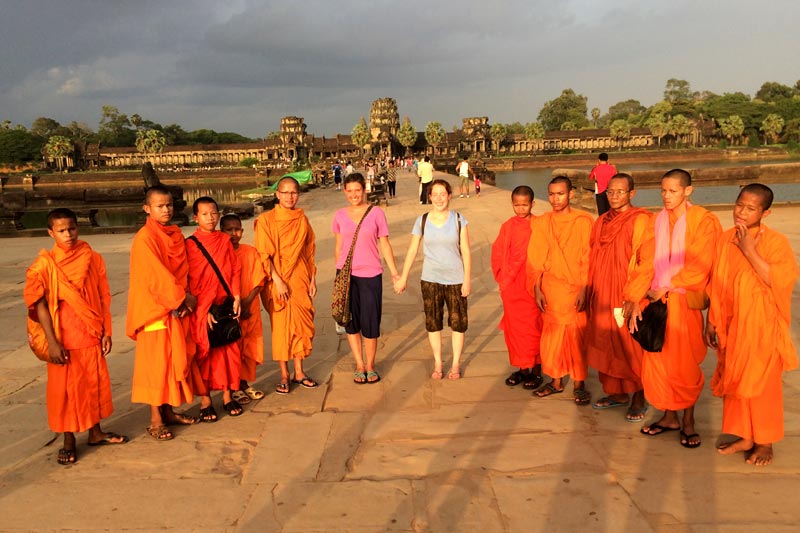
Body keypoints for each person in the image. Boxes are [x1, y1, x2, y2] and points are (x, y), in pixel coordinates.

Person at [24, 208, 128, 465]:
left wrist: (106, 331)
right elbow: (40, 306)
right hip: (63, 335)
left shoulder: (92, 257)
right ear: (51, 233)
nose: (68, 234)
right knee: (65, 391)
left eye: (71, 228)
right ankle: (68, 439)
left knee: (93, 383)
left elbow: (103, 296)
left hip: (90, 331)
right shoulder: (44, 265)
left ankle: (95, 431)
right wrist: (52, 342)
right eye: (61, 231)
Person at [705, 184, 798, 466]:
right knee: (735, 381)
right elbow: (717, 284)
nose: (741, 213)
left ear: (765, 212)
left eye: (751, 208)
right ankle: (745, 436)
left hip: (762, 327)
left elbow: (777, 279)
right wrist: (712, 321)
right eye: (739, 205)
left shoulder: (775, 242)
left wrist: (748, 249)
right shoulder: (724, 239)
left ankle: (765, 441)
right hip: (731, 324)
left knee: (762, 386)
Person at [632, 169, 721, 448]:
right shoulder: (654, 221)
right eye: (663, 191)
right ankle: (670, 417)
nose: (667, 196)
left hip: (683, 303)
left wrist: (669, 285)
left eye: (673, 191)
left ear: (688, 191)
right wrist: (634, 298)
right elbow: (644, 263)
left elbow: (702, 264)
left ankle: (689, 421)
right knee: (659, 359)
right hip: (656, 302)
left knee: (684, 366)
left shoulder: (703, 220)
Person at [128, 185, 201, 441]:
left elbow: (183, 270)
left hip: (176, 308)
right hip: (155, 312)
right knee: (156, 366)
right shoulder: (145, 239)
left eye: (169, 205)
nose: (166, 210)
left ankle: (169, 411)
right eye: (160, 206)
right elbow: (156, 278)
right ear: (147, 208)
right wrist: (182, 298)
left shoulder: (174, 234)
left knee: (173, 362)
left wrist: (185, 298)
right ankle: (156, 419)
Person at [585, 174, 651, 421]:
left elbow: (647, 262)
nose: (614, 196)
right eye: (610, 192)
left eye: (620, 192)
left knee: (630, 346)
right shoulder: (601, 221)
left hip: (626, 292)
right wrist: (589, 289)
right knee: (606, 342)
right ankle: (617, 393)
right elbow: (592, 256)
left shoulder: (641, 220)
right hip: (602, 291)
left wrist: (634, 297)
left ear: (631, 194)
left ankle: (638, 396)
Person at [395, 179, 471, 379]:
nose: (439, 198)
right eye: (434, 194)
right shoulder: (422, 220)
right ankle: (438, 361)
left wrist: (467, 280)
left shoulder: (459, 219)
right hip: (430, 279)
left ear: (449, 196)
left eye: (442, 194)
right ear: (429, 197)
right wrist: (403, 277)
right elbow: (412, 250)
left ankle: (455, 363)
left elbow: (466, 251)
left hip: (455, 279)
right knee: (433, 323)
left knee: (458, 323)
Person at [527, 176, 593, 405]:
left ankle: (579, 383)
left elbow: (588, 258)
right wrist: (537, 288)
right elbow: (536, 260)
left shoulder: (583, 222)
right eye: (552, 194)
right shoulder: (542, 222)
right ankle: (555, 381)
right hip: (551, 288)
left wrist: (585, 288)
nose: (555, 199)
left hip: (575, 287)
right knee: (552, 339)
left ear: (571, 194)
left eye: (560, 194)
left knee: (577, 338)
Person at [333, 173, 400, 384]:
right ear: (345, 192)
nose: (354, 194)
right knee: (350, 322)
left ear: (365, 190)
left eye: (357, 190)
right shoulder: (339, 216)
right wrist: (339, 278)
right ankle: (359, 364)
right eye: (350, 191)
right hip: (346, 275)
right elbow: (338, 247)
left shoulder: (376, 213)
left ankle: (370, 365)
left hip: (371, 274)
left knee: (371, 321)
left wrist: (395, 272)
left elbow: (385, 244)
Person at [254, 176, 318, 394]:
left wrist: (312, 278)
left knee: (301, 325)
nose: (290, 197)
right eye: (285, 192)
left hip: (300, 276)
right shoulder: (266, 220)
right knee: (281, 328)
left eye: (294, 192)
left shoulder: (302, 219)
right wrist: (277, 280)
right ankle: (284, 374)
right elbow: (264, 253)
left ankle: (299, 371)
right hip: (277, 278)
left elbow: (308, 251)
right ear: (277, 194)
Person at [491, 186, 543, 389]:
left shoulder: (540, 225)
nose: (521, 209)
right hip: (512, 286)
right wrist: (503, 276)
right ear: (512, 204)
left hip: (533, 285)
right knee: (515, 330)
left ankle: (537, 370)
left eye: (525, 205)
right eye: (517, 205)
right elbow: (497, 253)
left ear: (533, 204)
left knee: (535, 328)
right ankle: (523, 369)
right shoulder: (508, 226)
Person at [221, 214, 267, 405]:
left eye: (237, 229)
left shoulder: (250, 251)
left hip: (250, 305)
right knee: (233, 348)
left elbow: (259, 278)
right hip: (230, 309)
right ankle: (233, 386)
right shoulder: (221, 254)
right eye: (229, 230)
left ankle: (244, 383)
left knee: (249, 347)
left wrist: (247, 302)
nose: (234, 233)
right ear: (221, 232)